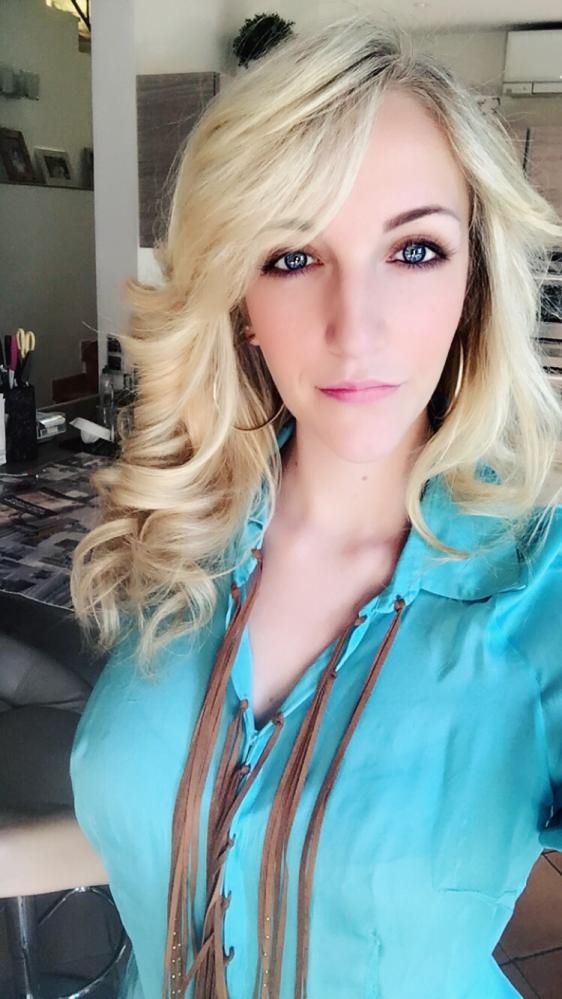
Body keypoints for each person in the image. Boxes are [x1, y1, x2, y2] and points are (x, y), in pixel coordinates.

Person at [69, 15, 562, 999]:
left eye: (415, 250)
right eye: (293, 255)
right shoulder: (172, 529)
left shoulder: (542, 596)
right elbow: (146, 828)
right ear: (240, 299)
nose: (355, 327)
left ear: (472, 282)